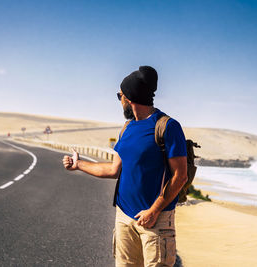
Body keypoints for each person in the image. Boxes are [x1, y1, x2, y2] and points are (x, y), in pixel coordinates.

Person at [62, 66, 188, 267]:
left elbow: (180, 176)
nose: (119, 100)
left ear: (129, 98)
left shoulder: (167, 127)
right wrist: (78, 164)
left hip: (156, 222)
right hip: (123, 218)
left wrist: (154, 210)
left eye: (119, 95)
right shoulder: (127, 128)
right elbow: (113, 170)